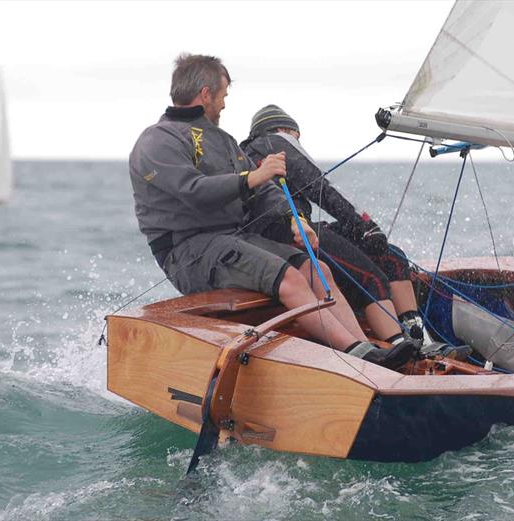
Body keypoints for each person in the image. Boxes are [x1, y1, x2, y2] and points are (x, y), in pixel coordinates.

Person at [128, 54, 417, 369]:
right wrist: (253, 177)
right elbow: (192, 191)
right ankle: (355, 354)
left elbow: (264, 190)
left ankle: (365, 349)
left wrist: (296, 220)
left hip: (232, 240)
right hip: (189, 250)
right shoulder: (157, 140)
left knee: (315, 268)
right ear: (206, 94)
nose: (224, 104)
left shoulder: (224, 141)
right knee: (291, 280)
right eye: (223, 96)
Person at [240, 106, 453, 351]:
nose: (299, 142)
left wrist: (362, 228)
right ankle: (401, 348)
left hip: (300, 229)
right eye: (296, 135)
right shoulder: (272, 142)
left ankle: (419, 338)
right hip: (285, 235)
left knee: (392, 257)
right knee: (371, 277)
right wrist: (363, 226)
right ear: (286, 130)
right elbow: (318, 188)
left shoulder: (260, 147)